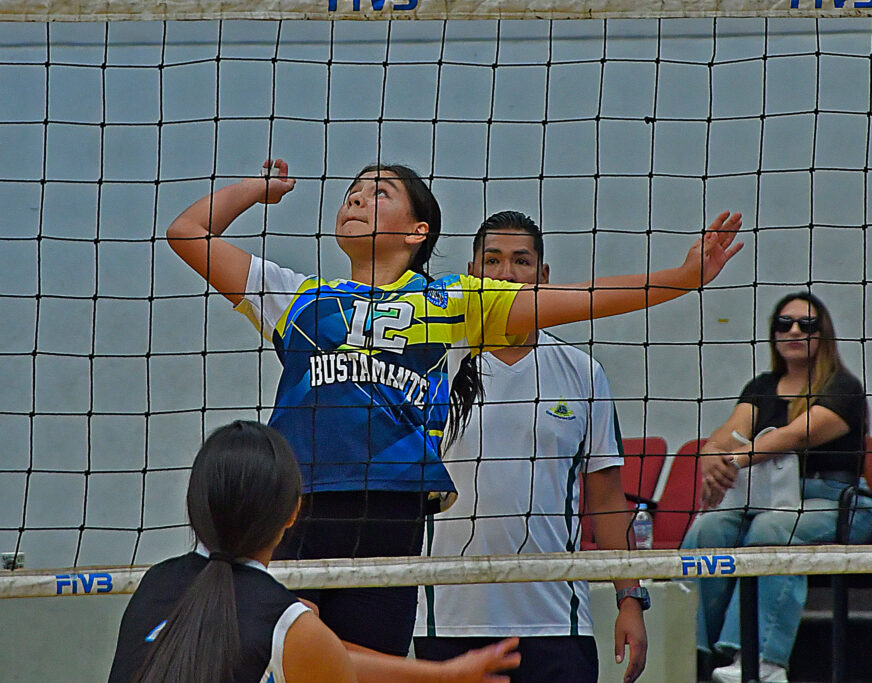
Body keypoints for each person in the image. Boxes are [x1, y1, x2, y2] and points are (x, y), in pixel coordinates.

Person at [165, 157, 742, 654]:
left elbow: (582, 299)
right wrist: (255, 190)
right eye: (353, 193)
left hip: (391, 510)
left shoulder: (454, 301)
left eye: (379, 192)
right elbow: (188, 232)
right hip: (294, 508)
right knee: (287, 660)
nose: (358, 199)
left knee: (369, 667)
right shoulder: (297, 297)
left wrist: (682, 278)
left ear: (417, 231)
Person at [413, 211, 648, 683]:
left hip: (556, 621)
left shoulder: (582, 373)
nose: (506, 272)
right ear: (472, 273)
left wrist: (630, 599)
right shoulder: (433, 363)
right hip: (447, 617)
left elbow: (606, 501)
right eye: (493, 260)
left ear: (543, 276)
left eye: (521, 261)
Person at [108, 419, 522, 682]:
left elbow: (329, 659)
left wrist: (444, 674)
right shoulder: (288, 623)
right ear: (292, 514)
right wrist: (446, 676)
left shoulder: (154, 584)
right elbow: (331, 661)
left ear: (194, 506)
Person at [681, 292, 872, 683]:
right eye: (784, 323)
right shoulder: (763, 386)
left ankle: (761, 659)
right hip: (765, 500)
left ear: (824, 334)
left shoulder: (843, 388)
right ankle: (690, 650)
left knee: (771, 529)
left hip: (838, 503)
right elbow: (727, 433)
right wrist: (712, 455)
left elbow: (792, 436)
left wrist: (734, 458)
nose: (794, 331)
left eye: (807, 324)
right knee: (708, 529)